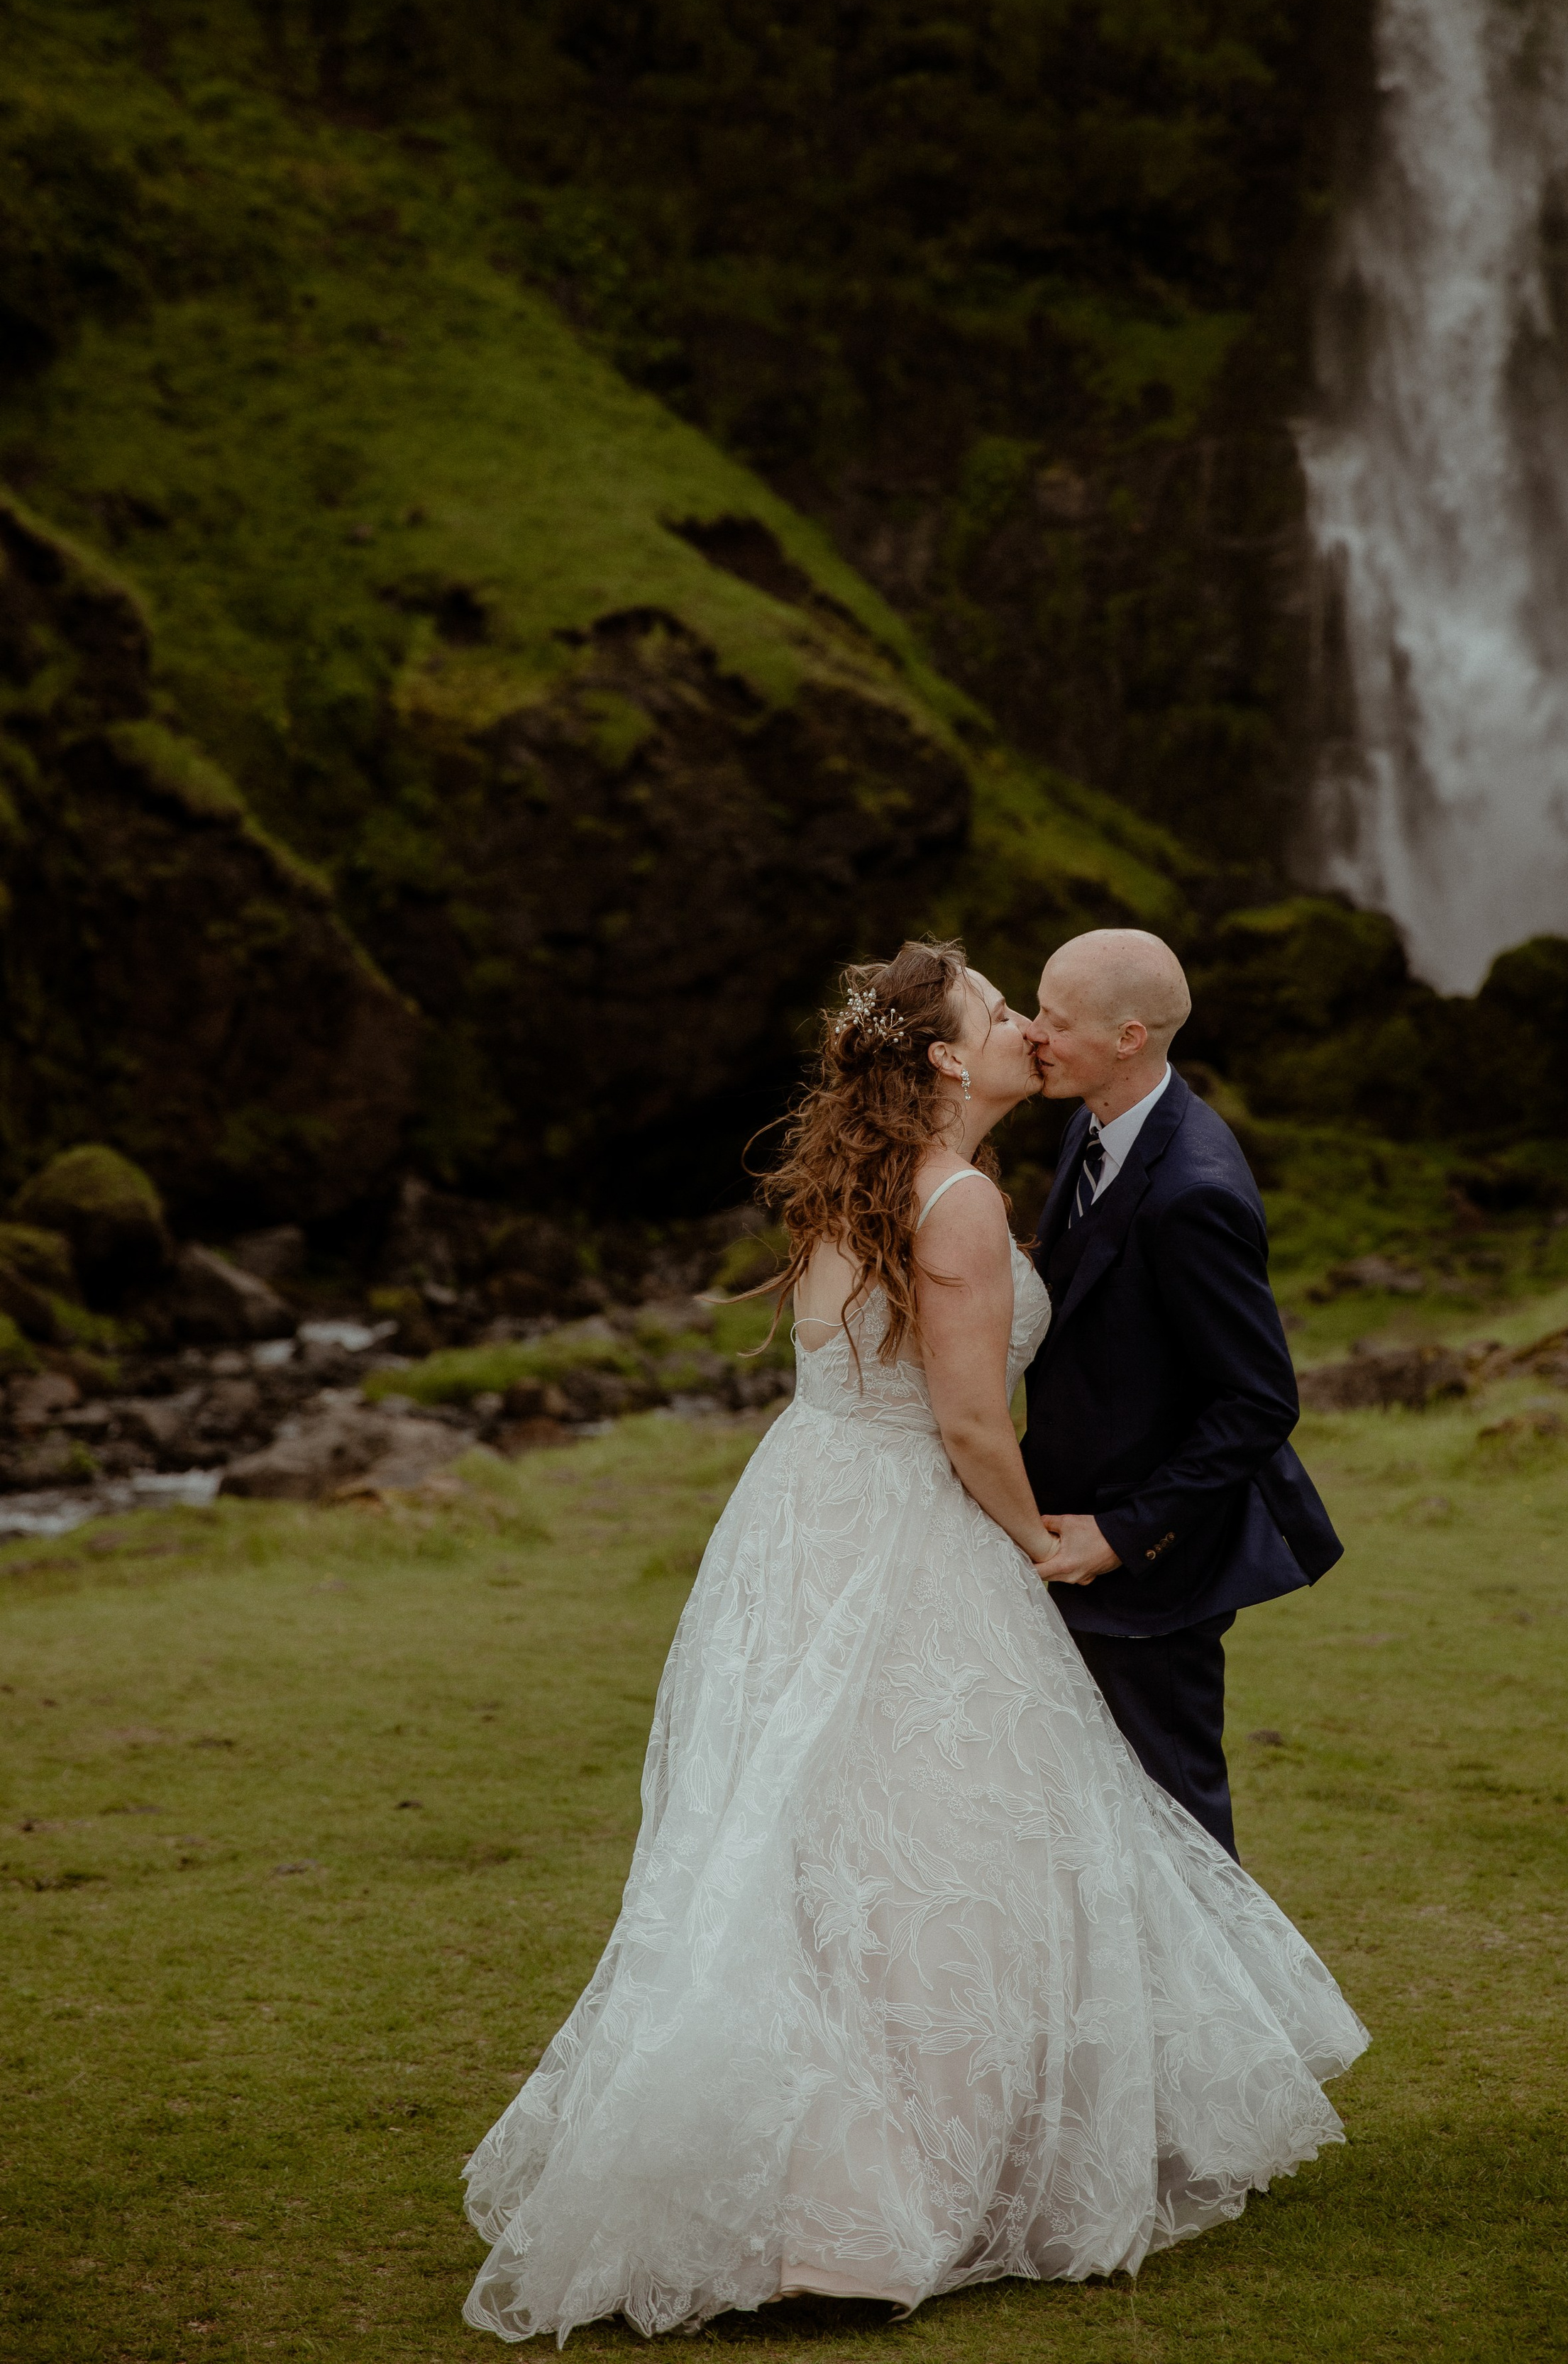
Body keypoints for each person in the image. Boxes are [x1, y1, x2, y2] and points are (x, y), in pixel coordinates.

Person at [463, 939, 1366, 2343]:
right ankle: (870, 2208)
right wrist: (1041, 1540)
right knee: (950, 1845)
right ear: (946, 1057)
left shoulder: (889, 1175)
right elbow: (961, 1422)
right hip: (910, 1516)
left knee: (839, 1837)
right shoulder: (954, 1199)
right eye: (1004, 1011)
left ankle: (878, 2156)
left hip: (812, 1512)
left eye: (1042, 1011)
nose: (1027, 1027)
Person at [1025, 928, 1344, 1862]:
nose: (1033, 1032)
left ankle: (1228, 2013)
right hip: (1067, 1535)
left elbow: (1256, 1402)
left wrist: (1127, 1533)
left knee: (1178, 1834)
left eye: (1055, 1017)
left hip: (1155, 1575)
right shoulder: (1089, 1123)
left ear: (1129, 1037)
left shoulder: (1194, 1192)